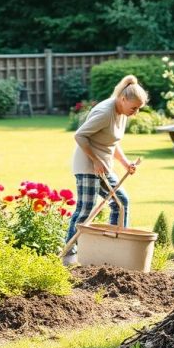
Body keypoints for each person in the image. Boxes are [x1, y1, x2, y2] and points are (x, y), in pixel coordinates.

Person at [64, 75, 147, 265]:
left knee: (121, 203)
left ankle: (114, 249)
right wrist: (95, 160)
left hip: (104, 166)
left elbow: (112, 142)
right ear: (123, 99)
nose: (135, 113)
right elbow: (80, 136)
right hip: (87, 165)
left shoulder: (122, 113)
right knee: (85, 209)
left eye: (138, 109)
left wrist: (125, 163)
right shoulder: (104, 112)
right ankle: (69, 253)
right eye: (134, 108)